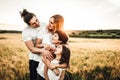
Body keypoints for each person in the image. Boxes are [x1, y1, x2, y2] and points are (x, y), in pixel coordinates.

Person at [20, 9, 52, 80]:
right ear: (28, 25)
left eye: (37, 20)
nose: (37, 23)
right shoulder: (26, 31)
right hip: (35, 60)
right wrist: (43, 51)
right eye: (33, 23)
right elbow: (32, 49)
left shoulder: (44, 24)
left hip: (47, 59)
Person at [36, 14, 69, 80]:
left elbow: (66, 62)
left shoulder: (63, 39)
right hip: (42, 72)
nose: (49, 24)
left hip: (55, 77)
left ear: (58, 24)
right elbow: (42, 54)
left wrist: (54, 67)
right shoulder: (46, 34)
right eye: (49, 22)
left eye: (52, 23)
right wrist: (44, 46)